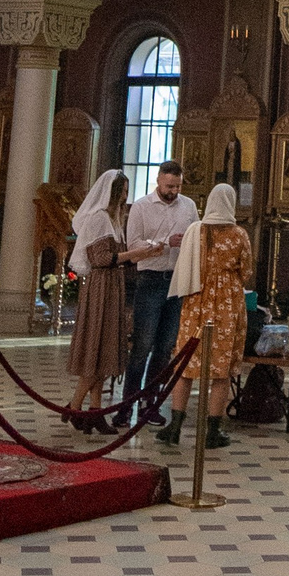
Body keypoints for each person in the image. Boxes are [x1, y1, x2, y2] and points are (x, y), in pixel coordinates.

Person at [163, 184, 254, 452]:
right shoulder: (239, 234)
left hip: (197, 301)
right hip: (228, 304)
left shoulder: (196, 231)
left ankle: (175, 426)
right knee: (221, 370)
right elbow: (246, 271)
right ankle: (213, 431)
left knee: (186, 365)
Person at [124, 159, 192, 421]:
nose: (173, 191)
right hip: (150, 279)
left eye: (177, 186)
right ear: (158, 181)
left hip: (176, 281)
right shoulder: (141, 206)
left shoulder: (188, 206)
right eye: (169, 186)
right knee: (142, 345)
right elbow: (133, 246)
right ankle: (126, 405)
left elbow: (195, 238)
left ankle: (149, 403)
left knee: (165, 347)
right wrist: (165, 243)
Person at [65, 171, 131, 416]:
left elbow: (117, 256)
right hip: (100, 287)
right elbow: (100, 258)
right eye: (124, 191)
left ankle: (94, 410)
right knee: (97, 349)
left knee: (104, 352)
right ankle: (74, 407)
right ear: (113, 192)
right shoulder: (99, 218)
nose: (126, 196)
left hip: (113, 285)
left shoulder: (114, 218)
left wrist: (139, 254)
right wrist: (136, 254)